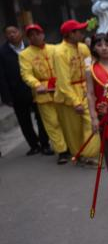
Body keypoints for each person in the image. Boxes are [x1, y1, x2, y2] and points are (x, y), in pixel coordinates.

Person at [53, 20, 99, 163]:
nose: (82, 33)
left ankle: (89, 153)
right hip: (68, 95)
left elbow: (90, 68)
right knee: (73, 130)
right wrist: (75, 101)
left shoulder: (83, 48)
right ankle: (79, 155)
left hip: (85, 91)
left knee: (90, 121)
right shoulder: (60, 52)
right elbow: (62, 81)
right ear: (70, 34)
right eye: (79, 31)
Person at [1, 25, 51, 155]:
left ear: (20, 33)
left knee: (41, 117)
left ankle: (45, 143)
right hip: (16, 92)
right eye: (8, 33)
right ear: (5, 36)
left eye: (14, 32)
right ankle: (34, 145)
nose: (12, 35)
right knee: (24, 120)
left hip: (35, 88)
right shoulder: (2, 52)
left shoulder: (32, 47)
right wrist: (6, 97)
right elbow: (2, 76)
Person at [18, 24, 65, 160]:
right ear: (28, 38)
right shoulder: (24, 55)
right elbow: (26, 73)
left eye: (37, 33)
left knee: (65, 120)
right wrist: (36, 84)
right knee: (52, 123)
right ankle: (61, 151)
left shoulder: (55, 49)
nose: (35, 37)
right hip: (43, 92)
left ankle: (70, 147)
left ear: (43, 34)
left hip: (60, 89)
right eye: (31, 35)